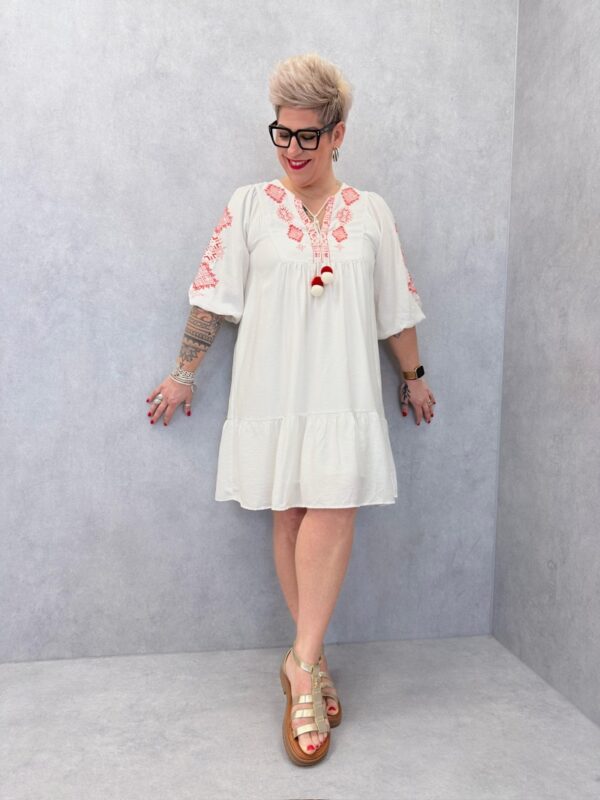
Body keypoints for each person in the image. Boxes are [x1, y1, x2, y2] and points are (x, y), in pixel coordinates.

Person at [145, 52, 436, 766]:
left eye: (309, 135)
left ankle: (299, 666)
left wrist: (414, 375)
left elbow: (394, 308)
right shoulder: (249, 205)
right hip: (271, 387)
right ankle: (313, 659)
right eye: (282, 133)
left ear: (338, 134)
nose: (293, 150)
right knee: (291, 512)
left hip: (343, 389)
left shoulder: (371, 212)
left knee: (334, 507)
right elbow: (212, 298)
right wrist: (183, 373)